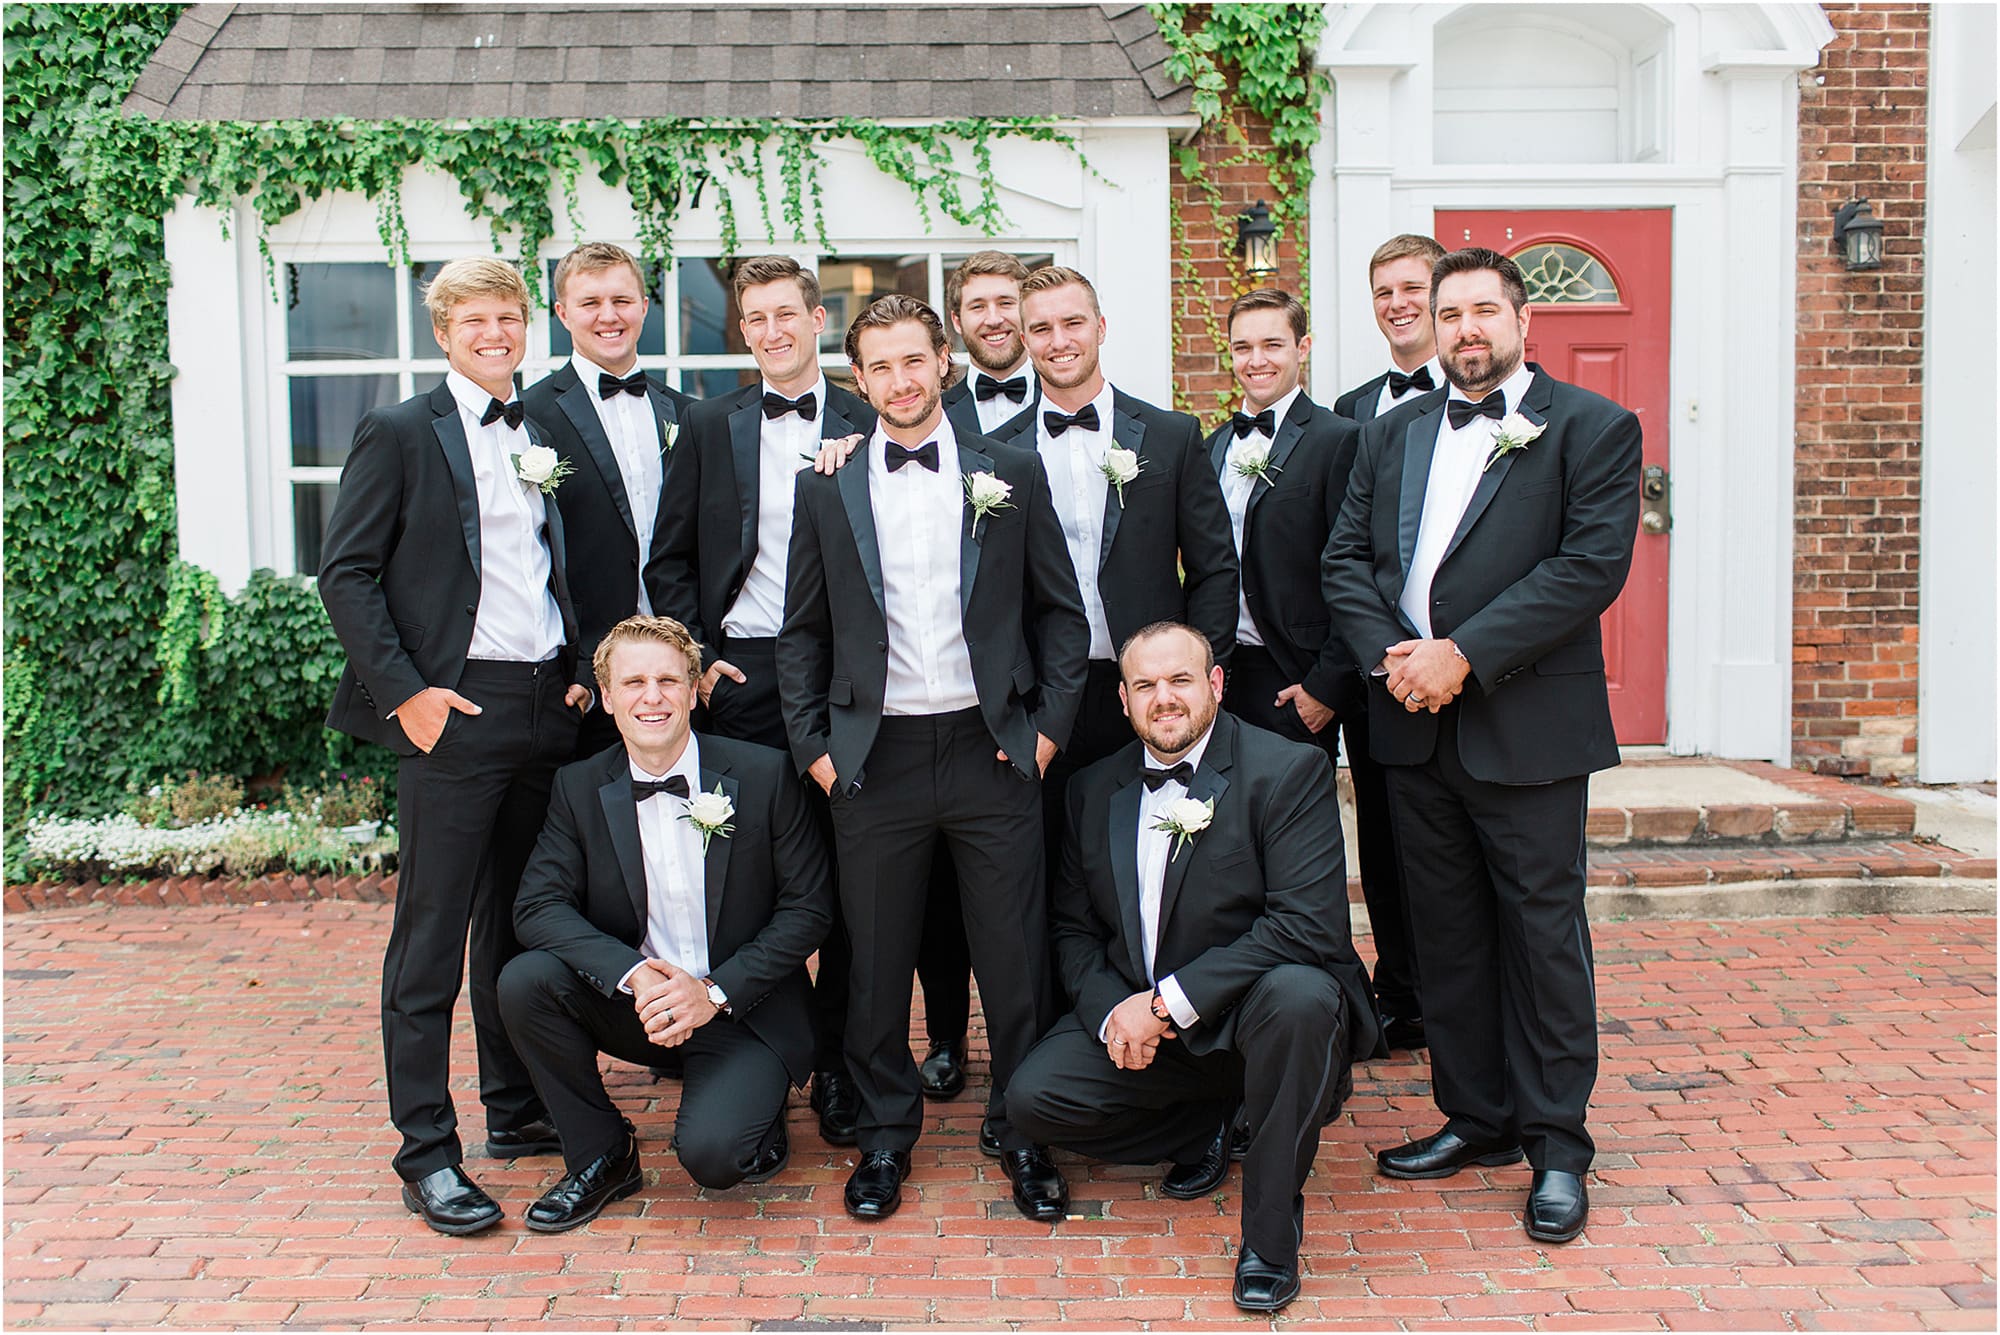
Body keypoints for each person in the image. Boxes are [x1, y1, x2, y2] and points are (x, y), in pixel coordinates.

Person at [1322, 247, 1642, 1245]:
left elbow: (1587, 567)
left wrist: (1462, 654)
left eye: (1480, 313)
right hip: (1411, 727)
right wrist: (1398, 661)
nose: (1463, 330)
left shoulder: (1590, 428)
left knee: (1541, 939)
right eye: (1447, 312)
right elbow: (1345, 561)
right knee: (1445, 936)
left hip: (1524, 727)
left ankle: (1555, 1144)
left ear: (1519, 322)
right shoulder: (1394, 432)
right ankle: (1476, 1117)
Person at [775, 293, 1091, 1223]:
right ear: (858, 378)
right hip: (875, 758)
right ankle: (882, 1136)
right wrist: (817, 750)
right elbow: (802, 632)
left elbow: (1061, 616)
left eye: (916, 361)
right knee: (873, 961)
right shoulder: (825, 485)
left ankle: (1027, 1128)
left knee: (1016, 958)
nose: (901, 381)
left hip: (994, 749)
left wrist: (1044, 733)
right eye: (880, 367)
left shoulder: (1011, 471)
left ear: (943, 361)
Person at [317, 256, 594, 1235]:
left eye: (508, 317)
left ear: (527, 326)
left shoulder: (546, 427)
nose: (493, 333)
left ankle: (515, 1114)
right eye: (472, 320)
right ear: (442, 334)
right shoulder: (398, 432)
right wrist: (410, 698)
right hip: (453, 712)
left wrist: (576, 665)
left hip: (543, 711)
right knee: (429, 940)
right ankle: (426, 1152)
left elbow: (562, 563)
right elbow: (346, 574)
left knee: (519, 925)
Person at [1007, 621, 1381, 1312]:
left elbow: (1306, 924)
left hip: (1257, 1016)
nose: (1164, 698)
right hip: (1163, 1034)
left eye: (1180, 679)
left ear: (1215, 683)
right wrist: (1116, 1013)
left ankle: (1270, 1237)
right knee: (1031, 1100)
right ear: (1122, 701)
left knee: (1300, 994)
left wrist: (1164, 1002)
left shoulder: (1287, 770)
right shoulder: (1092, 788)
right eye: (1145, 685)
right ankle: (1223, 1118)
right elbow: (1073, 929)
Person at [500, 616, 833, 1230]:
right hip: (643, 1005)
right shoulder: (578, 786)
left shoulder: (764, 774)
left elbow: (809, 909)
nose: (650, 697)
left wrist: (712, 992)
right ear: (606, 697)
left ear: (694, 687)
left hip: (743, 1008)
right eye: (632, 683)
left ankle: (757, 1102)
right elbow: (537, 905)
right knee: (526, 981)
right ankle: (602, 1154)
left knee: (717, 1160)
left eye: (667, 680)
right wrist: (634, 975)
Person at [646, 254, 873, 1146]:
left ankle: (847, 1068)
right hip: (740, 676)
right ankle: (762, 1063)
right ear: (743, 331)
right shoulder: (710, 423)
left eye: (788, 314)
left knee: (854, 880)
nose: (773, 331)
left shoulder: (869, 415)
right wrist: (695, 655)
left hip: (848, 679)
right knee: (744, 881)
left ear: (817, 319)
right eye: (756, 319)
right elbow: (668, 558)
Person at [1211, 288, 1420, 1055]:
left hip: (1299, 681)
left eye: (1272, 344)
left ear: (1303, 348)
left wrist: (1330, 687)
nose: (1256, 360)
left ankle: (1335, 1013)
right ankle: (1249, 1003)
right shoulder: (1213, 443)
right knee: (1234, 851)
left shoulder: (1338, 439)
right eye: (1242, 347)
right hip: (1227, 678)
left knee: (1305, 856)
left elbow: (1356, 569)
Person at [988, 265, 1238, 870]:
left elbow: (1214, 568)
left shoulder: (1171, 436)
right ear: (1024, 340)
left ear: (1100, 327)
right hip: (1040, 693)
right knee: (1045, 862)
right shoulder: (994, 450)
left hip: (1148, 688)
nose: (1059, 340)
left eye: (1073, 323)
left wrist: (1195, 673)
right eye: (1041, 328)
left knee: (1154, 857)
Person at [915, 249, 1039, 1111]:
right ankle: (951, 1036)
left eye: (1010, 303)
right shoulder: (925, 412)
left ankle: (1035, 1065)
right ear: (955, 327)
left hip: (1034, 695)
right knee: (937, 898)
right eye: (979, 305)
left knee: (1028, 897)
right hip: (938, 703)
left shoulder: (1084, 405)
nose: (996, 317)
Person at [523, 243, 693, 761]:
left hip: (683, 673)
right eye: (590, 302)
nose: (608, 315)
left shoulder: (688, 413)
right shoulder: (528, 415)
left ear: (644, 305)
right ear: (562, 313)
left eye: (621, 300)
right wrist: (573, 667)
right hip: (580, 683)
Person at [1333, 234, 1447, 424]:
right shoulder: (1350, 407)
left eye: (1412, 288)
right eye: (1384, 293)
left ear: (1442, 294)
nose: (1396, 304)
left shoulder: (1475, 396)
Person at [938, 249, 1040, 439]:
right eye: (978, 307)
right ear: (957, 321)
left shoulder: (1064, 403)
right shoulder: (936, 416)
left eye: (1005, 303)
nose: (993, 320)